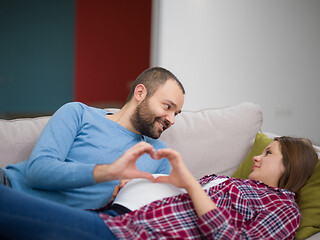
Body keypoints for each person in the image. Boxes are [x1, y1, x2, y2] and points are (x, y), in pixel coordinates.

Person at [0, 136, 317, 240]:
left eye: (268, 153)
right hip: (122, 222)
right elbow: (182, 195)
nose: (258, 158)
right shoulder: (237, 184)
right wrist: (136, 180)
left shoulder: (284, 209)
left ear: (290, 166)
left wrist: (190, 181)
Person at [0, 67, 185, 209]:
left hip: (61, 223)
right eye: (168, 107)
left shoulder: (159, 155)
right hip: (9, 189)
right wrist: (110, 171)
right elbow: (37, 171)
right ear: (140, 93)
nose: (172, 120)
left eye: (176, 113)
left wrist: (129, 193)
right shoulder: (78, 114)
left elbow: (160, 210)